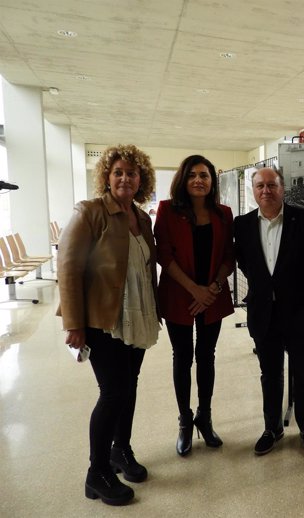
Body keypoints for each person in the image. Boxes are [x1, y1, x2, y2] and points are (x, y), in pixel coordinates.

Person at [57, 144, 160, 505]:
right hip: (105, 321)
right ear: (107, 176)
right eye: (118, 172)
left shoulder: (142, 218)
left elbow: (146, 269)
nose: (124, 178)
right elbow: (68, 265)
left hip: (138, 315)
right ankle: (96, 473)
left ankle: (121, 451)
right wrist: (74, 322)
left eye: (132, 173)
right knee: (112, 392)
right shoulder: (90, 212)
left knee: (128, 388)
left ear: (141, 180)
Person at [234, 166, 304, 456]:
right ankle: (272, 428)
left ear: (282, 188)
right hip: (264, 314)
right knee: (270, 374)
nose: (266, 191)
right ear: (253, 190)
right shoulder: (243, 224)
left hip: (300, 310)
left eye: (271, 185)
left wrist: (293, 285)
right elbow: (244, 263)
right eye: (260, 186)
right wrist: (266, 287)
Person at [154, 155, 235, 457]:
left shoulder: (224, 213)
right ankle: (185, 421)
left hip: (213, 297)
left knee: (207, 356)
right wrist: (194, 291)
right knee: (182, 357)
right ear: (183, 180)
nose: (199, 180)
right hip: (180, 296)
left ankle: (205, 415)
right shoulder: (167, 210)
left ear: (213, 181)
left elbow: (229, 255)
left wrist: (212, 288)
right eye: (192, 175)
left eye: (204, 175)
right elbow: (164, 254)